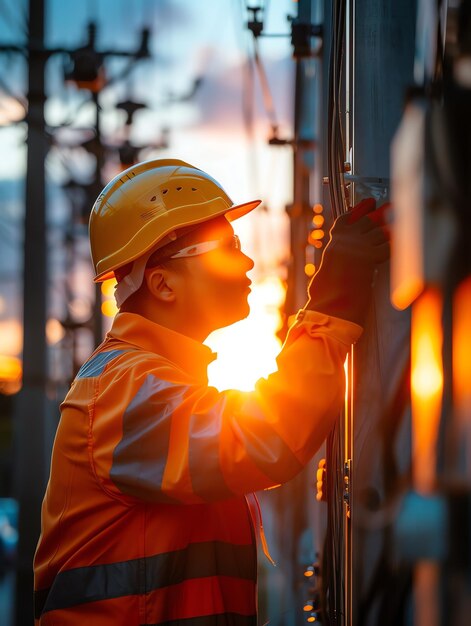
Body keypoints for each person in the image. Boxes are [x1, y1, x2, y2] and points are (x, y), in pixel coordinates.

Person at [33, 159, 389, 626]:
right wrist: (333, 301)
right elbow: (266, 438)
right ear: (161, 283)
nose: (245, 262)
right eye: (224, 248)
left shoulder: (157, 383)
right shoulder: (121, 390)